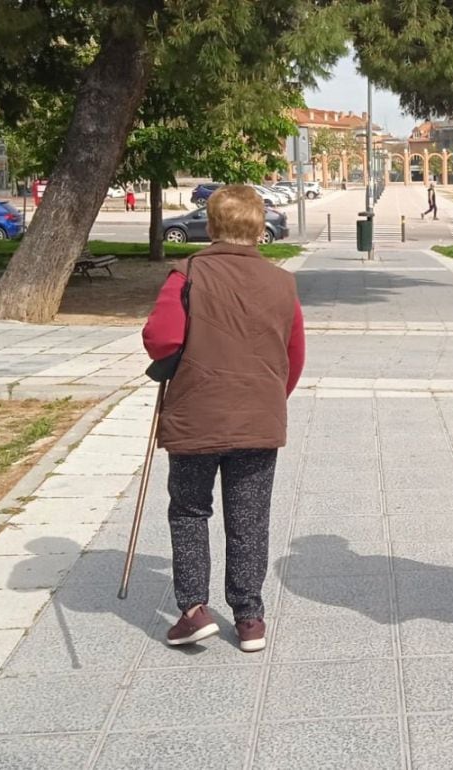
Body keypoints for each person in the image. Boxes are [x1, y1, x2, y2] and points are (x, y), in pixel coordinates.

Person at [142, 184, 306, 652]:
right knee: (250, 516)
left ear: (211, 225)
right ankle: (250, 617)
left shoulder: (187, 274)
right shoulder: (283, 282)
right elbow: (295, 354)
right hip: (259, 414)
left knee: (191, 510)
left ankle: (194, 610)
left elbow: (162, 339)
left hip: (197, 412)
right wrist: (270, 395)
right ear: (259, 226)